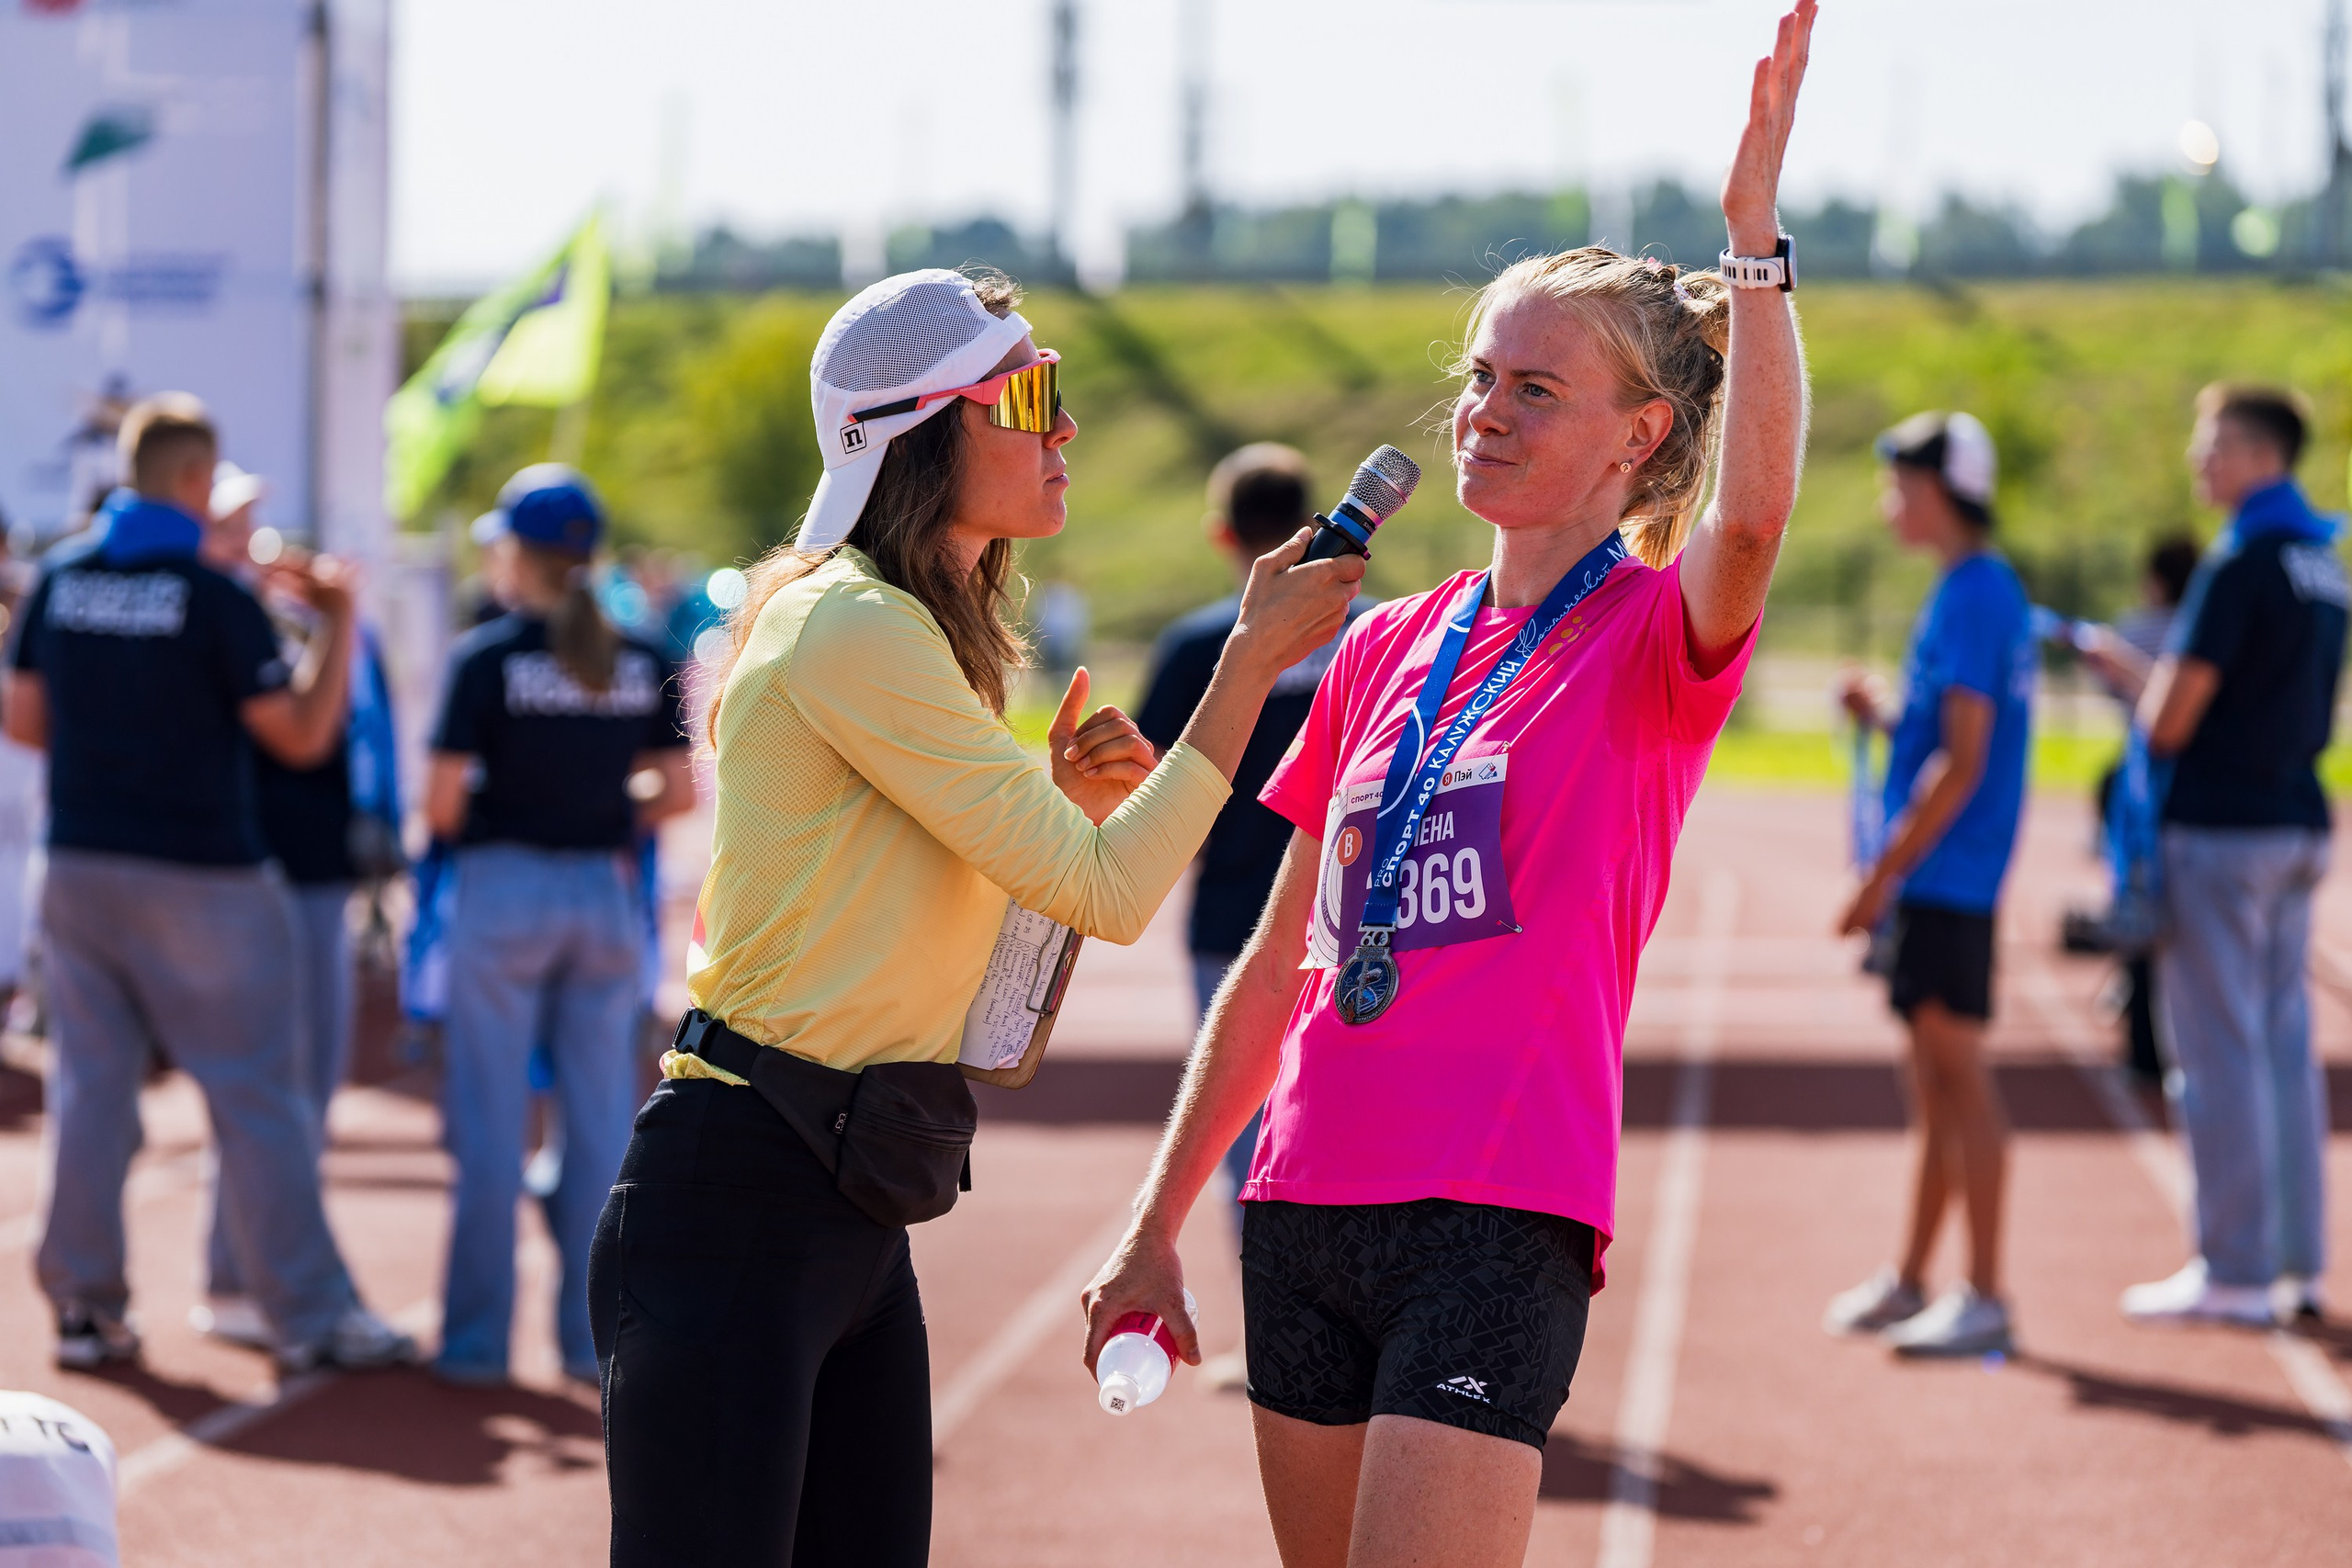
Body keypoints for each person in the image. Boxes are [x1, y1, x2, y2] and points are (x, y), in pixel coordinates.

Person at [1081, 10, 1814, 1563]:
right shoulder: (1375, 649)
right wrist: (1159, 1214)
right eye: (1482, 375)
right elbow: (1281, 964)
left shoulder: (1643, 639)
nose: (1488, 406)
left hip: (1494, 1211)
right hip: (1297, 1207)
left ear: (1643, 434)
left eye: (1539, 388)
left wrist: (1755, 252)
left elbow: (1745, 534)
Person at [591, 267, 1364, 1565]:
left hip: (842, 1191)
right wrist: (1245, 666)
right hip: (748, 1186)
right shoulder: (852, 625)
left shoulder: (901, 628)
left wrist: (1049, 823)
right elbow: (1113, 893)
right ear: (912, 430)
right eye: (1027, 394)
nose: (1062, 428)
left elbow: (1004, 986)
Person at [5, 393, 413, 1371]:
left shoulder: (60, 578)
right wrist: (340, 616)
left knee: (92, 1091)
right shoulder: (216, 597)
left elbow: (22, 721)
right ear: (195, 480)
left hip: (79, 863)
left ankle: (83, 1307)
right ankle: (308, 1316)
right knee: (258, 1099)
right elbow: (304, 737)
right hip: (203, 876)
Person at [423, 464, 698, 1386]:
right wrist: (600, 799)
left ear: (515, 553)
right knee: (598, 1134)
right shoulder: (641, 652)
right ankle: (591, 1345)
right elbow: (677, 791)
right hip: (604, 898)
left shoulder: (486, 658)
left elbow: (442, 807)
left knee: (490, 1131)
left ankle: (473, 1349)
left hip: (504, 896)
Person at [2119, 384, 2343, 1327]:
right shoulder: (2321, 561)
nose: (2196, 461)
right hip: (2294, 817)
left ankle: (2236, 1269)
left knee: (2215, 1051)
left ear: (2259, 455)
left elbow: (2171, 719)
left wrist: (2129, 678)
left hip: (2220, 828)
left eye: (2211, 445)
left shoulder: (2242, 559)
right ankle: (2292, 1262)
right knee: (2285, 1049)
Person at [1824, 411, 2032, 1358]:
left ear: (1940, 490)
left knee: (1959, 1084)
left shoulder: (1976, 595)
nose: (1887, 503)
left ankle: (1984, 1294)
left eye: (1899, 485)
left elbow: (1962, 759)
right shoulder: (1974, 589)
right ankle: (1913, 1278)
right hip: (1945, 876)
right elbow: (1947, 729)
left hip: (1948, 877)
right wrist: (1885, 716)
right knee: (1932, 1087)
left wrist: (1881, 876)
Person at [1135, 446, 1374, 1259]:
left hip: (1233, 921)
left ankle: (1276, 1327)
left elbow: (1151, 785)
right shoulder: (1379, 632)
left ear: (1220, 534)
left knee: (1244, 1126)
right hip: (1362, 923)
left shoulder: (1194, 644)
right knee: (1355, 1119)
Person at [191, 462, 406, 1348]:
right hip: (271, 874)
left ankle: (243, 1273)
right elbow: (305, 735)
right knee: (280, 1088)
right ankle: (253, 1281)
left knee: (293, 1088)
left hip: (301, 870)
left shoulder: (254, 614)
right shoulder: (226, 618)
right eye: (235, 522)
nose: (256, 539)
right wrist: (339, 618)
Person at [2075, 535, 2200, 1083]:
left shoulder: (2133, 629)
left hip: (2143, 790)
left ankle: (2145, 1050)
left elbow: (2114, 692)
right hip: (2199, 793)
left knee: (2140, 912)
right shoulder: (2201, 629)